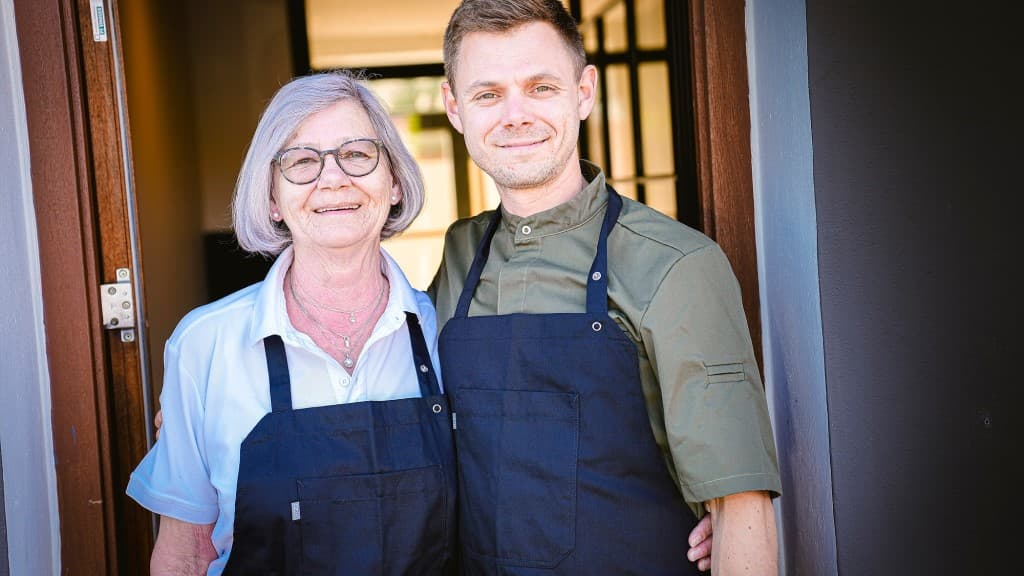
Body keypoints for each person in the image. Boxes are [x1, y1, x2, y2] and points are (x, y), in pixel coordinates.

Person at [428, 1, 782, 574]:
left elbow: (742, 508)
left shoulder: (677, 265)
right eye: (488, 94)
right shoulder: (458, 256)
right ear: (454, 107)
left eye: (540, 87)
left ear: (584, 91)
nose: (515, 115)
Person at [127, 70, 457, 575]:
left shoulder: (445, 333)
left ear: (393, 182)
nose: (333, 178)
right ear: (273, 199)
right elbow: (186, 554)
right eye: (302, 161)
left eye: (358, 154)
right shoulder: (205, 346)